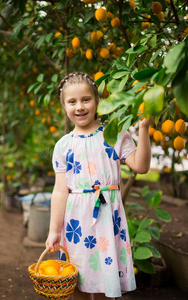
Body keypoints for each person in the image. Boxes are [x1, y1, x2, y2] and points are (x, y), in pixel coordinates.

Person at [45, 72, 152, 300]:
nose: (80, 107)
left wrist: (143, 129)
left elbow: (141, 167)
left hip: (106, 218)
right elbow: (59, 191)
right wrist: (54, 230)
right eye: (72, 102)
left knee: (106, 280)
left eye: (86, 99)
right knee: (77, 278)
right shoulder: (63, 146)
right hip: (76, 220)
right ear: (64, 106)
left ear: (96, 101)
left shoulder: (113, 135)